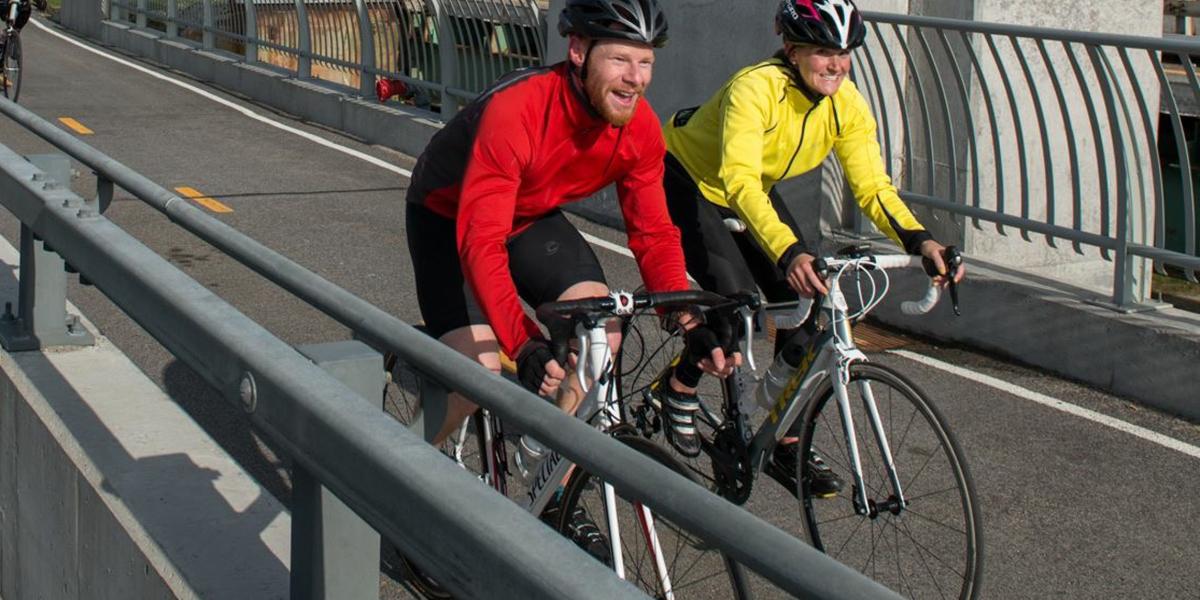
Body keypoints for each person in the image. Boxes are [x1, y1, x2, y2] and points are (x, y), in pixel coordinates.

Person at [403, 0, 738, 555]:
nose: (635, 79)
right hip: (450, 216)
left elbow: (654, 233)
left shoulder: (640, 129)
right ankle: (385, 468)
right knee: (479, 374)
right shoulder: (520, 110)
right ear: (578, 52)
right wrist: (525, 343)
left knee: (598, 336)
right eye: (621, 60)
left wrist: (687, 319)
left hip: (530, 216)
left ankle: (547, 482)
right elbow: (479, 242)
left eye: (646, 62)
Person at [657, 0, 966, 492]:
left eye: (844, 53)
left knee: (810, 305)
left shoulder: (847, 104)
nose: (836, 65)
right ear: (792, 50)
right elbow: (739, 181)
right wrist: (788, 250)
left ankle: (784, 440)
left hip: (751, 188)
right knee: (738, 305)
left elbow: (872, 188)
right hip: (691, 180)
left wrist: (921, 240)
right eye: (824, 51)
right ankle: (678, 384)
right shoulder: (755, 88)